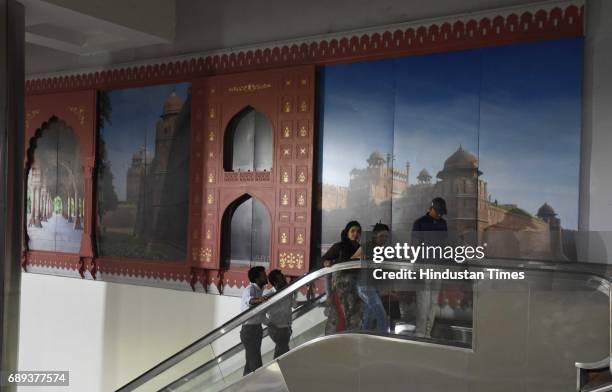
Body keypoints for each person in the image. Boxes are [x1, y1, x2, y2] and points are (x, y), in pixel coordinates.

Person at [411, 197, 448, 338]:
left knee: (433, 301)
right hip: (423, 266)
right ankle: (420, 333)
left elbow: (444, 246)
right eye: (438, 212)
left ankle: (427, 332)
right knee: (423, 302)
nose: (440, 215)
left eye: (441, 213)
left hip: (437, 266)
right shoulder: (419, 223)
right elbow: (413, 246)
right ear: (431, 208)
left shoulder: (443, 223)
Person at [321, 220, 363, 333]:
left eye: (358, 231)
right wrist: (326, 262)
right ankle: (333, 345)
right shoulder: (339, 247)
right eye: (353, 230)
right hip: (340, 290)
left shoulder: (361, 248)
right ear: (347, 232)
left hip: (356, 291)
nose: (356, 233)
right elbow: (323, 260)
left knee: (353, 319)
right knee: (339, 317)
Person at [357, 222, 390, 333]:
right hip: (364, 286)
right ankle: (383, 341)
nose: (383, 239)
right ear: (374, 235)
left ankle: (364, 338)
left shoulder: (382, 249)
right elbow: (352, 260)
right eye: (381, 236)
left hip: (372, 286)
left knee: (369, 316)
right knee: (381, 315)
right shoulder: (366, 247)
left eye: (386, 236)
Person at [240, 266, 269, 375]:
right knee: (256, 362)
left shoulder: (261, 290)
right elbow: (249, 301)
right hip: (249, 330)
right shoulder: (250, 289)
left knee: (250, 361)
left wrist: (269, 323)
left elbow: (260, 314)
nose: (266, 277)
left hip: (256, 329)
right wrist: (260, 300)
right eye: (263, 275)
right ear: (257, 279)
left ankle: (244, 386)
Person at [263, 269, 296, 358]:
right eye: (281, 278)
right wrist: (269, 324)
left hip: (287, 328)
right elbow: (260, 313)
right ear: (275, 282)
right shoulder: (269, 295)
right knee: (284, 353)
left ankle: (277, 369)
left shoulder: (287, 291)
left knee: (281, 353)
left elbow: (294, 305)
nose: (284, 280)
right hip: (276, 329)